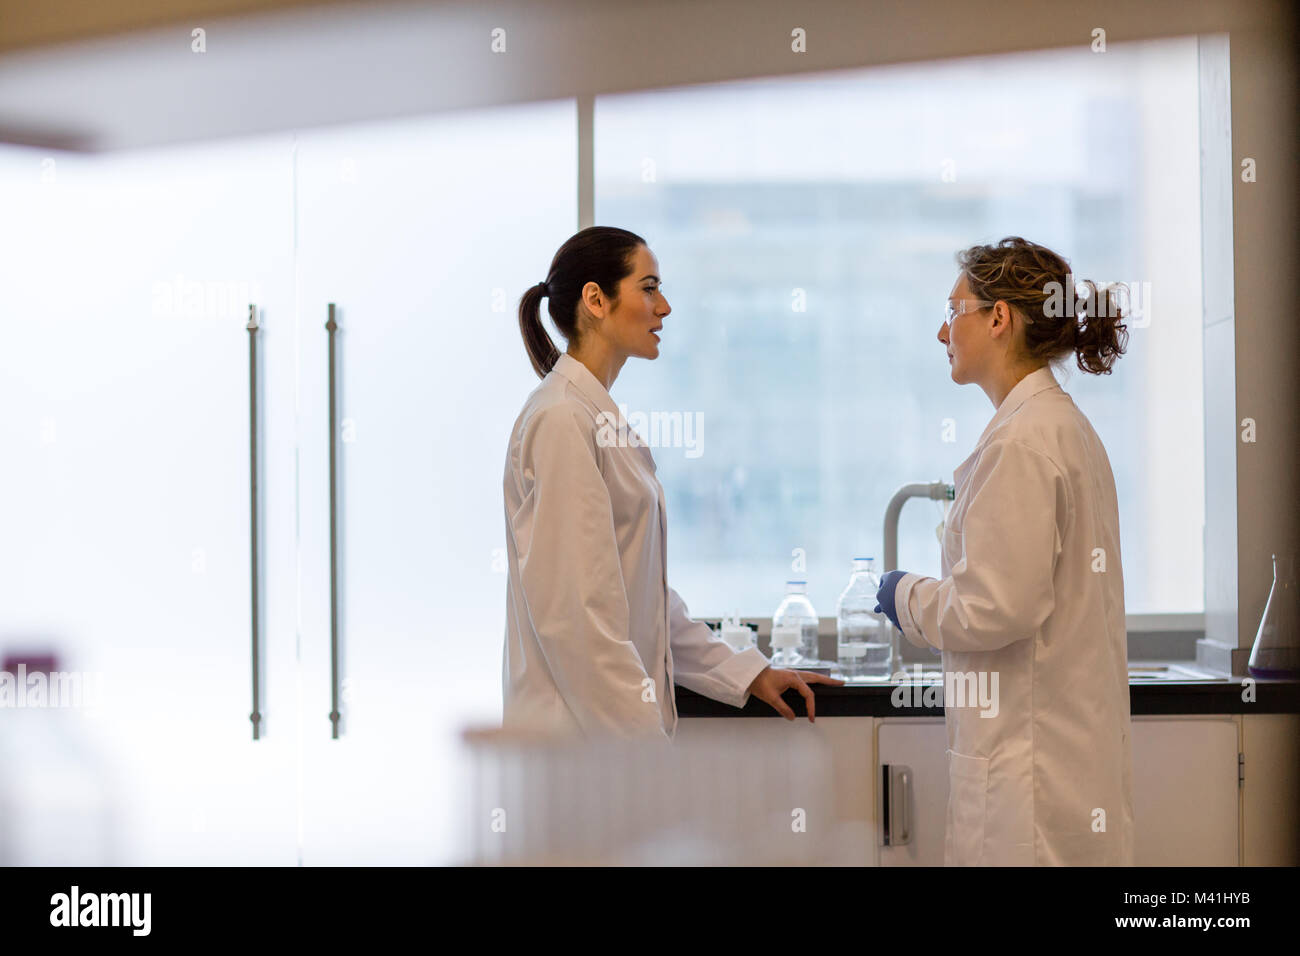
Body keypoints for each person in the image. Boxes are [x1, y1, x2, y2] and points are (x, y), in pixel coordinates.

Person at [503, 225, 841, 740]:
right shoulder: (562, 420)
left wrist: (747, 672)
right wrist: (649, 757)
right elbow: (578, 621)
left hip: (604, 744)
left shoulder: (594, 417)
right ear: (596, 299)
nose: (664, 307)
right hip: (578, 749)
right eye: (649, 287)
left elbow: (645, 603)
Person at [874, 237, 1135, 866]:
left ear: (999, 318)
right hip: (1053, 761)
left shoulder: (1023, 442)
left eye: (954, 308)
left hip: (1030, 782)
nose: (942, 329)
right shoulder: (1055, 427)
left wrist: (903, 594)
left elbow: (993, 608)